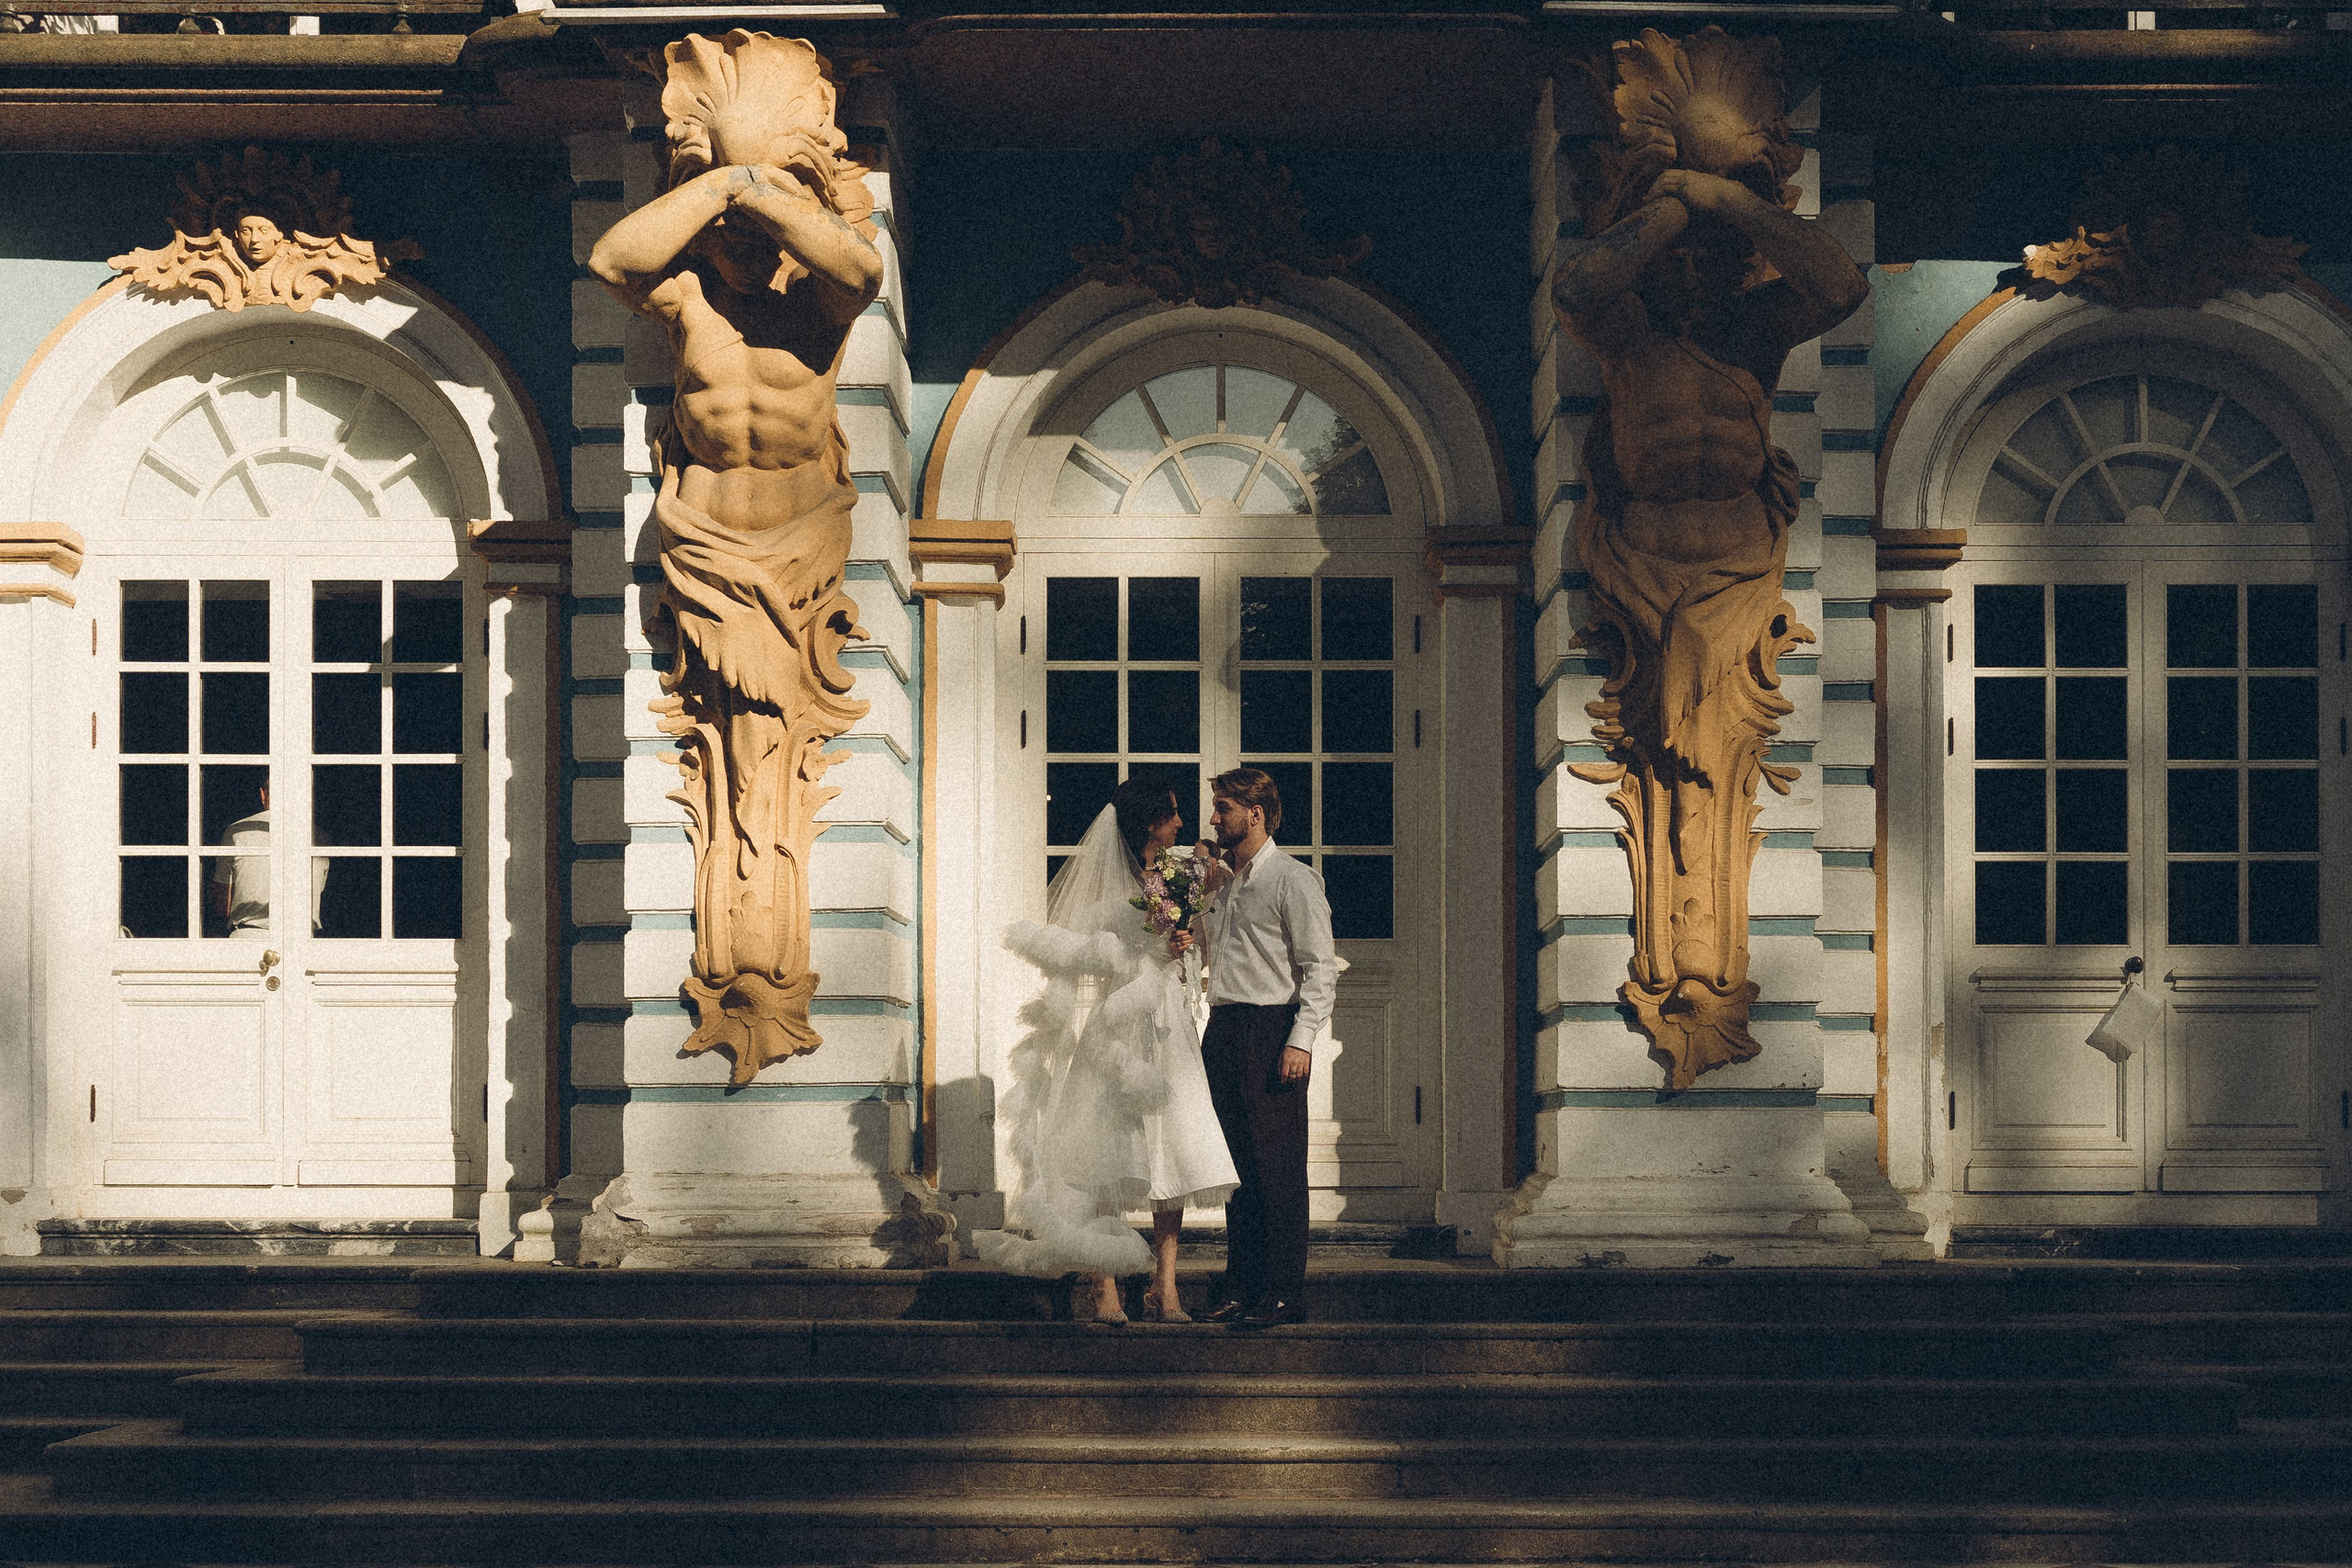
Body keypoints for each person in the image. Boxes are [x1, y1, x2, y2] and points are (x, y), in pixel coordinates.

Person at [974, 780, 1237, 1323]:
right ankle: (1104, 1282)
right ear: (1148, 823)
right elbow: (1092, 957)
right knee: (1105, 1151)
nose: (1182, 825)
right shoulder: (1111, 889)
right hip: (1119, 1028)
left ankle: (1165, 1287)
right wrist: (1150, 947)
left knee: (1175, 1149)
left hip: (1170, 1026)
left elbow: (1200, 951)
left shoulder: (1179, 877)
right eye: (1172, 816)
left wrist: (1188, 932)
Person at [1194, 767, 1337, 1329]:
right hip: (1224, 1027)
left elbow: (1320, 968)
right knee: (1237, 1168)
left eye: (1223, 808)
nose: (1213, 818)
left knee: (1276, 1167)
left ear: (1254, 814)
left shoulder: (1292, 879)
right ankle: (1241, 1286)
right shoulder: (1224, 885)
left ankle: (1283, 1293)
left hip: (1272, 1028)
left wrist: (1300, 1040)